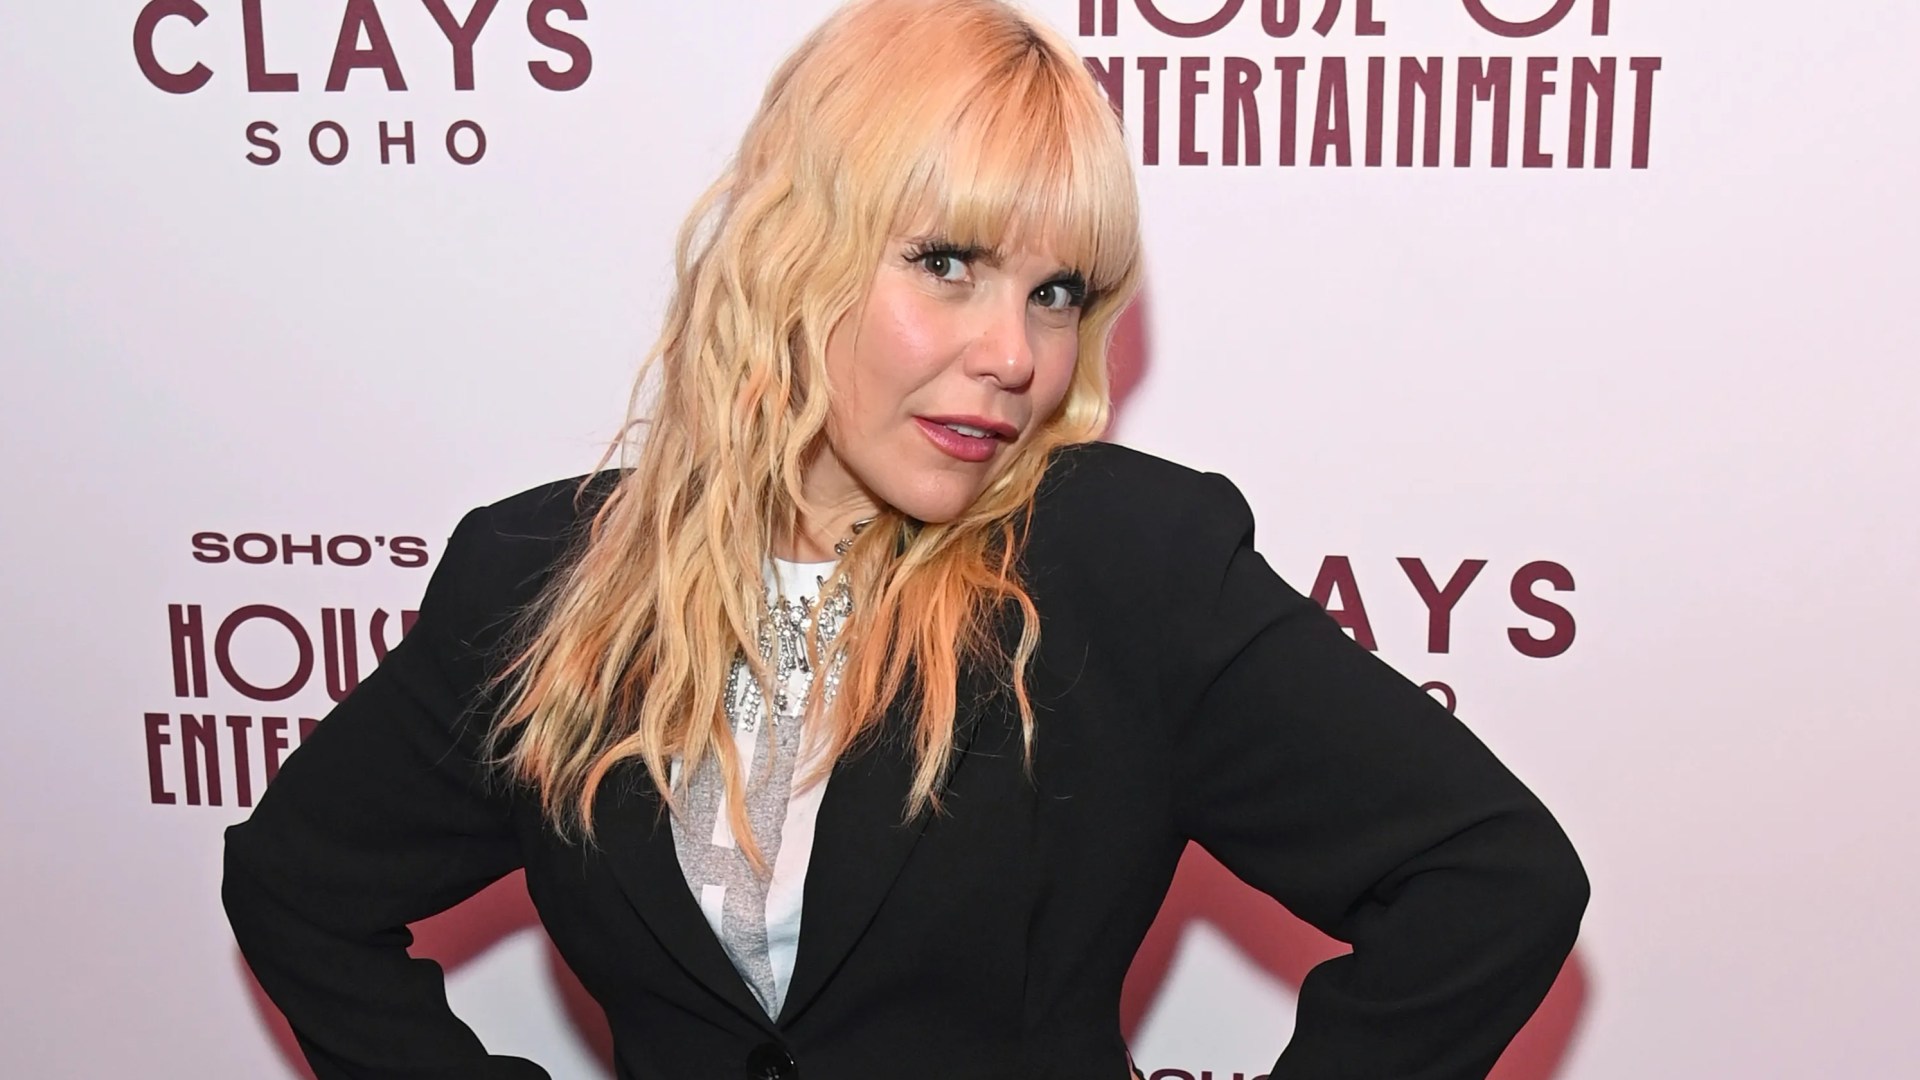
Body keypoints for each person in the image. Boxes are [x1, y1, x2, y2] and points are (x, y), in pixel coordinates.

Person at [221, 0, 1589, 1077]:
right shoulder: (543, 580)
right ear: (792, 251)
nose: (1017, 355)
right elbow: (299, 888)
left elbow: (1491, 883)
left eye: (1057, 293)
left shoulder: (1126, 569)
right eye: (948, 264)